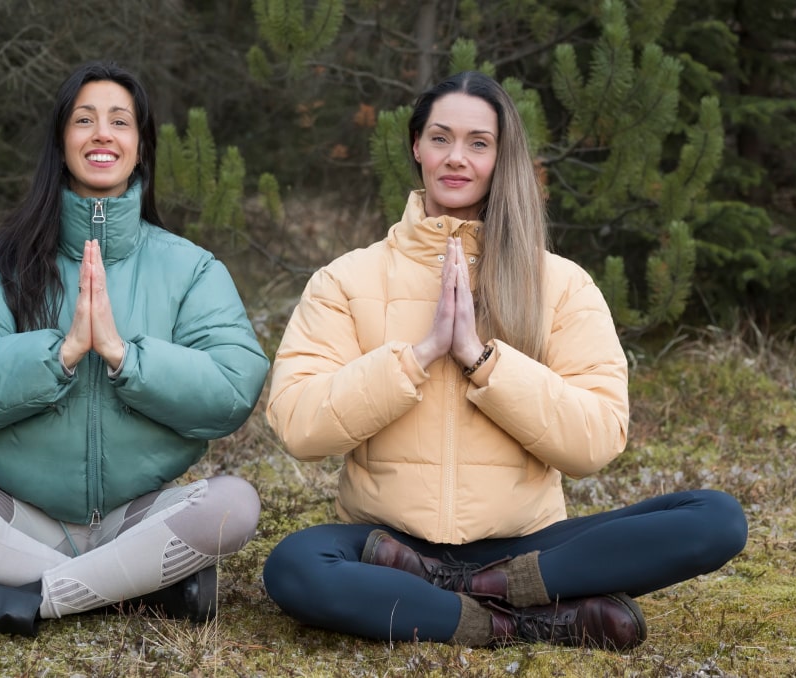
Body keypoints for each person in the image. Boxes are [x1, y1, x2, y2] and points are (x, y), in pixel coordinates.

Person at [261, 71, 747, 651]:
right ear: (416, 146)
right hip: (386, 548)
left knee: (717, 518)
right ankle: (511, 620)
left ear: (501, 155)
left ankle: (482, 589)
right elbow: (298, 425)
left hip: (528, 548)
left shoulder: (561, 284)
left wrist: (481, 360)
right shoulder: (345, 279)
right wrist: (417, 357)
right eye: (440, 138)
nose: (456, 157)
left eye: (478, 143)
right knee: (293, 565)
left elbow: (595, 440)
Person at [0, 61, 270, 646]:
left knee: (235, 506)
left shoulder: (191, 268)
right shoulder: (7, 262)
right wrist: (61, 353)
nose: (103, 133)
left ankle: (5, 598)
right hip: (21, 517)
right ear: (61, 142)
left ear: (141, 147)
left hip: (138, 517)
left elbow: (232, 389)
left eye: (120, 121)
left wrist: (124, 356)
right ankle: (137, 588)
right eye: (84, 120)